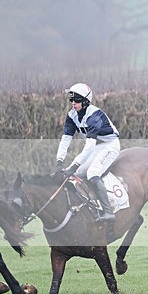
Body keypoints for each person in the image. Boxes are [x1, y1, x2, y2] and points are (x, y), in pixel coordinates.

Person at [55, 83, 121, 221]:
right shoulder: (72, 115)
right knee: (76, 174)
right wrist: (59, 161)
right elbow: (65, 140)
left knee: (92, 172)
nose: (73, 103)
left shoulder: (94, 115)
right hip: (97, 147)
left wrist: (74, 166)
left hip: (110, 146)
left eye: (77, 100)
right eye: (71, 100)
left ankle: (108, 211)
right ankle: (89, 206)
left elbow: (89, 146)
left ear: (86, 101)